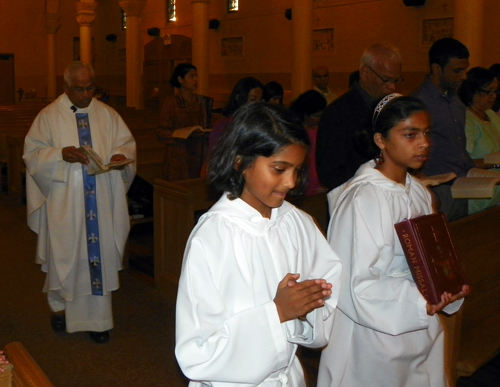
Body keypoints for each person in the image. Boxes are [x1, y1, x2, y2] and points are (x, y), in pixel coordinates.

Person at [175, 102, 343, 387]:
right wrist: (277, 312)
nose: (291, 182)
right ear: (240, 162)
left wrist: (309, 307)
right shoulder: (213, 236)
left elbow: (328, 289)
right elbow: (197, 351)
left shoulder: (297, 222)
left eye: (297, 169)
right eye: (279, 169)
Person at [318, 94, 470, 387]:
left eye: (426, 133)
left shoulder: (418, 192)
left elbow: (431, 255)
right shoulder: (363, 199)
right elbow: (355, 283)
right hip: (374, 336)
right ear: (380, 140)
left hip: (419, 326)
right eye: (410, 134)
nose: (424, 143)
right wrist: (420, 299)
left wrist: (447, 284)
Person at [23, 61, 136, 344]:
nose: (86, 95)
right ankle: (60, 308)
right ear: (66, 88)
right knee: (65, 256)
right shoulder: (49, 116)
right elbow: (32, 154)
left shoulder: (107, 115)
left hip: (102, 199)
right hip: (65, 203)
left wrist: (121, 158)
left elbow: (125, 144)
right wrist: (60, 154)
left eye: (90, 88)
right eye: (79, 89)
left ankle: (99, 321)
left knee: (98, 257)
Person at [316, 42, 403, 191]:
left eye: (395, 80)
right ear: (365, 73)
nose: (392, 87)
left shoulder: (391, 109)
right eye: (386, 80)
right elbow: (331, 175)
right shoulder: (337, 114)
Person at [411, 37, 473, 221]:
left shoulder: (456, 99)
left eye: (465, 70)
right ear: (437, 69)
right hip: (436, 189)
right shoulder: (418, 102)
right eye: (457, 71)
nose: (463, 76)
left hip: (460, 185)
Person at [458, 66, 500, 214]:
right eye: (488, 91)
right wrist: (496, 163)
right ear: (473, 91)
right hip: (481, 190)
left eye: (495, 91)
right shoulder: (467, 119)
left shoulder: (490, 114)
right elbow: (465, 161)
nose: (493, 96)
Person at [157, 63, 209, 180]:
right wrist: (179, 134)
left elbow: (205, 124)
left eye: (196, 76)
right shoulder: (171, 102)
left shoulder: (200, 101)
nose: (196, 80)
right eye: (192, 76)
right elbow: (161, 131)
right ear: (180, 79)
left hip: (198, 152)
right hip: (178, 153)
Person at [207, 76, 263, 151]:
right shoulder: (225, 124)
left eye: (260, 101)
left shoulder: (260, 123)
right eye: (253, 100)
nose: (257, 104)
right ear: (239, 98)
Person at [289, 89, 327, 195]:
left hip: (320, 183)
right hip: (302, 183)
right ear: (306, 114)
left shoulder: (320, 129)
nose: (319, 119)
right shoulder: (295, 132)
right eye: (316, 116)